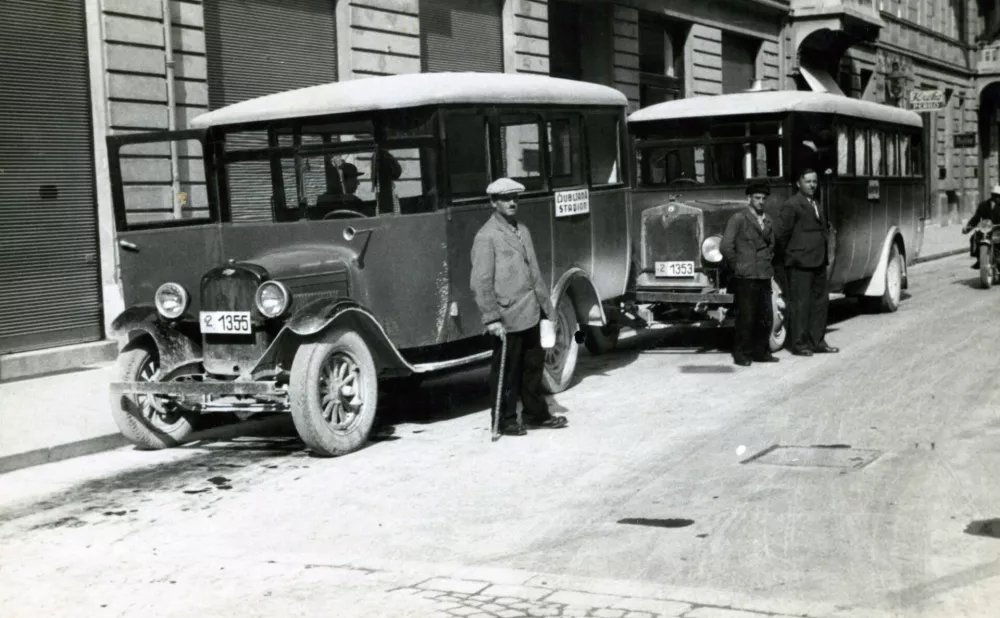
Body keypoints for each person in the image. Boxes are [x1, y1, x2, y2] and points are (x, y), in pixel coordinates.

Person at [470, 178, 569, 437]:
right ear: (493, 202)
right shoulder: (487, 236)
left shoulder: (521, 230)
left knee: (533, 368)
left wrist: (548, 309)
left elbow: (534, 273)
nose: (512, 202)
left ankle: (535, 414)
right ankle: (504, 420)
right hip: (507, 316)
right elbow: (480, 281)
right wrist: (491, 318)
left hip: (531, 311)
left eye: (515, 197)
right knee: (507, 372)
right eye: (505, 198)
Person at [775, 168, 839, 356]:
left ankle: (817, 341)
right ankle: (800, 344)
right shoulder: (792, 205)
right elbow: (781, 235)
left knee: (820, 303)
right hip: (800, 263)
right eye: (808, 182)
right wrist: (793, 254)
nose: (812, 185)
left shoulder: (816, 203)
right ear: (798, 183)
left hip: (818, 261)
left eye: (814, 182)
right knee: (801, 305)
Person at [720, 181, 779, 367]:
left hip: (763, 274)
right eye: (757, 198)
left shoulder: (768, 219)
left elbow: (772, 245)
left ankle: (761, 352)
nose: (761, 201)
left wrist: (766, 261)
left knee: (765, 316)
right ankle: (741, 354)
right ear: (749, 199)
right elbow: (726, 246)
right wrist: (738, 266)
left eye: (764, 198)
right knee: (746, 316)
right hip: (745, 276)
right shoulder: (739, 218)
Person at [962, 185, 1000, 268]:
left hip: (998, 231)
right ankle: (980, 259)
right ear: (991, 195)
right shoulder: (983, 205)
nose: (996, 198)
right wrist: (968, 228)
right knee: (973, 238)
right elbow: (976, 218)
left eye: (997, 196)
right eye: (994, 195)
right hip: (986, 229)